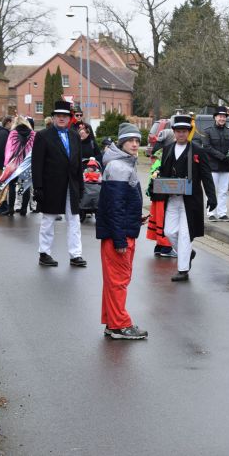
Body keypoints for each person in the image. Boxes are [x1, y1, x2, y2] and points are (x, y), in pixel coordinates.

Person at [96, 122, 148, 340]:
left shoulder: (122, 163)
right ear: (122, 143)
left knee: (113, 281)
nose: (135, 144)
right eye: (130, 141)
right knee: (119, 281)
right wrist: (120, 240)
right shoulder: (118, 166)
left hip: (121, 230)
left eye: (137, 140)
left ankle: (112, 322)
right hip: (119, 235)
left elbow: (119, 204)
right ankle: (120, 325)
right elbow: (114, 207)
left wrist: (136, 218)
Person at [158, 114, 217, 281]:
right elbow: (163, 173)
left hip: (190, 200)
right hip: (172, 198)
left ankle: (183, 269)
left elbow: (206, 175)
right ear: (174, 132)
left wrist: (212, 197)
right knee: (169, 232)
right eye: (178, 131)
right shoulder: (168, 149)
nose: (181, 134)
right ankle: (188, 253)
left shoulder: (198, 151)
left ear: (189, 132)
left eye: (184, 131)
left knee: (184, 234)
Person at [31, 100, 87, 268]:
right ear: (54, 117)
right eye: (58, 116)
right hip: (51, 185)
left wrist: (81, 185)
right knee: (48, 220)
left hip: (72, 185)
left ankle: (75, 255)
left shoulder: (74, 135)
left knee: (74, 220)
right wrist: (38, 187)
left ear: (69, 118)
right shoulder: (43, 136)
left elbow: (77, 162)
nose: (61, 118)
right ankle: (44, 253)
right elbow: (37, 164)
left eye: (65, 116)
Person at [202, 106, 229, 222]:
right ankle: (211, 212)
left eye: (224, 117)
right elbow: (207, 147)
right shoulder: (208, 131)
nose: (222, 118)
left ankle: (222, 213)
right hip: (212, 166)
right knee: (212, 190)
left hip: (226, 166)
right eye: (220, 116)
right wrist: (222, 156)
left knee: (223, 191)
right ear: (215, 117)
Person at [3, 116, 35, 217]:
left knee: (12, 185)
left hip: (14, 163)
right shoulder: (33, 133)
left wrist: (6, 164)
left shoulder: (13, 133)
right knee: (25, 185)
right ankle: (24, 209)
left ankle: (11, 208)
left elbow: (9, 150)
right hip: (27, 163)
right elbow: (34, 150)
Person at [146, 149, 175, 258]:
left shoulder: (157, 164)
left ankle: (159, 246)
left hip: (156, 195)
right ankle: (166, 247)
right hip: (164, 196)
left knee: (158, 220)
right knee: (165, 221)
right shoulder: (165, 165)